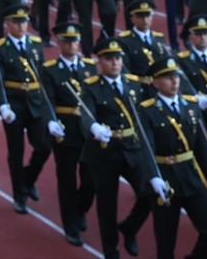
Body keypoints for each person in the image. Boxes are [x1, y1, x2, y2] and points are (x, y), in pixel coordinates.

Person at [136, 56, 207, 259]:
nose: (174, 81)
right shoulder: (147, 110)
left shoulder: (190, 107)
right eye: (167, 78)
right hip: (165, 178)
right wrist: (153, 177)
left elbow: (202, 148)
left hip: (191, 177)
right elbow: (146, 148)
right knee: (166, 242)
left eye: (176, 76)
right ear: (156, 82)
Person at [80, 36, 152, 259]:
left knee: (148, 192)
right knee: (107, 204)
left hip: (131, 147)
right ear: (100, 62)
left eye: (117, 58)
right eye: (109, 59)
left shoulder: (133, 84)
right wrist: (94, 128)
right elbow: (86, 114)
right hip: (104, 151)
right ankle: (110, 249)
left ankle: (130, 227)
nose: (114, 63)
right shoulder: (91, 87)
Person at [0, 5, 52, 216]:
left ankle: (28, 178)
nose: (21, 26)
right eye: (16, 22)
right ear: (7, 23)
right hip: (14, 104)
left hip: (35, 102)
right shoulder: (0, 47)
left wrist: (47, 105)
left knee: (44, 146)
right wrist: (3, 105)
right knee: (16, 152)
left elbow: (42, 75)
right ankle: (19, 195)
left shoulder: (35, 44)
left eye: (24, 21)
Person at [40, 21, 95, 247]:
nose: (72, 45)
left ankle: (81, 207)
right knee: (67, 180)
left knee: (91, 178)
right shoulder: (50, 69)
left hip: (88, 131)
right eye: (67, 41)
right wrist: (51, 121)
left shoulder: (89, 67)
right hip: (65, 130)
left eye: (75, 41)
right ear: (59, 42)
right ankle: (70, 225)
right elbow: (46, 100)